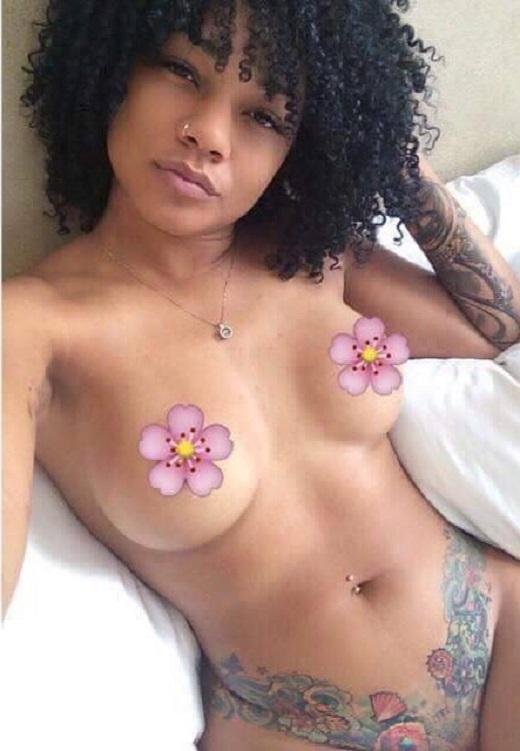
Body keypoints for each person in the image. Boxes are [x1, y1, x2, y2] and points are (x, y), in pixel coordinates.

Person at [4, 1, 520, 749]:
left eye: (265, 116)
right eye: (180, 70)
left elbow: (493, 330)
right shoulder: (30, 329)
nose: (208, 135)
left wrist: (397, 166)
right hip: (294, 728)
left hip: (501, 627)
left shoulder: (308, 254)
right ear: (111, 70)